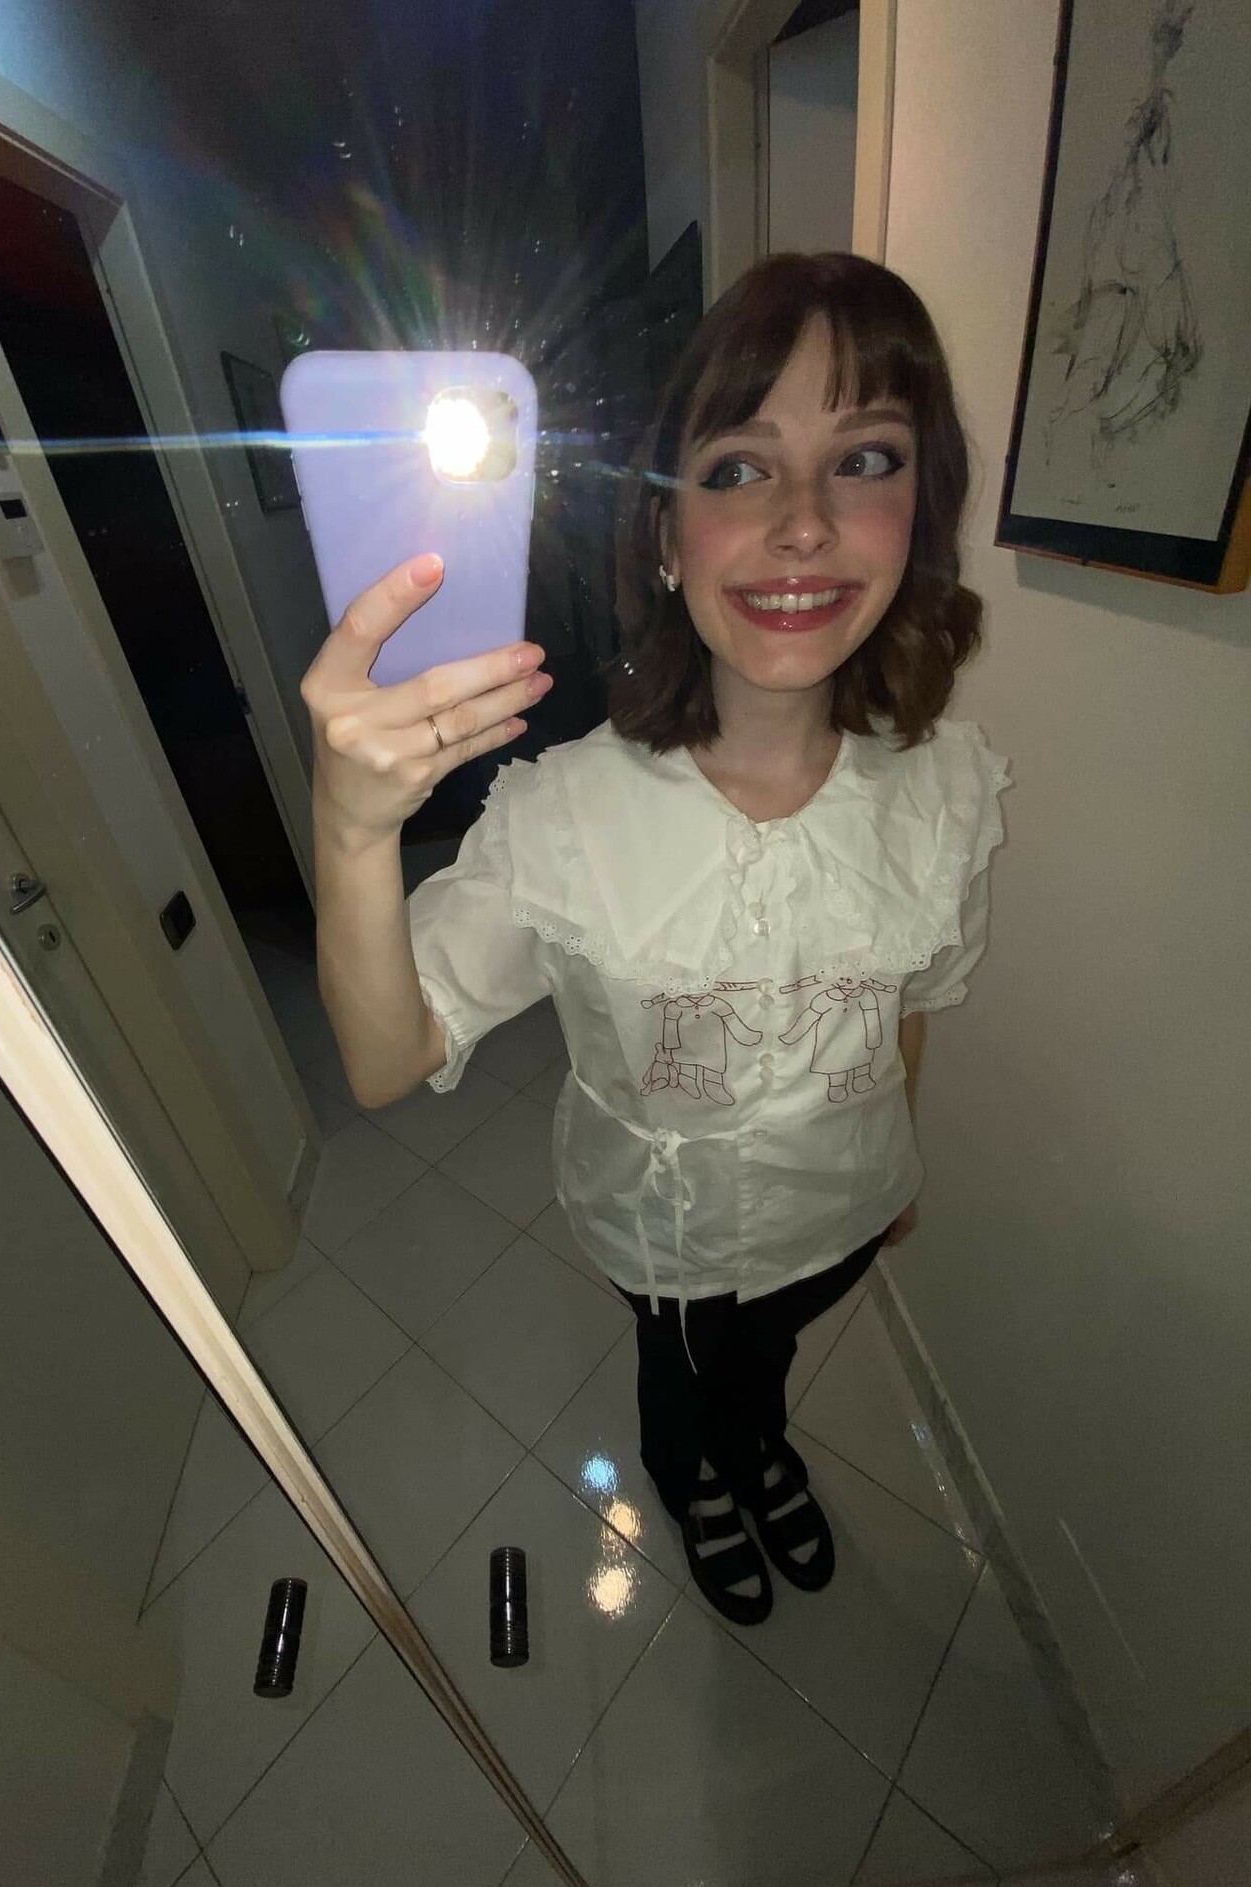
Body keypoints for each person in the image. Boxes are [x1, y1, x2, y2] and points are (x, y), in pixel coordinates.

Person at [301, 252, 1011, 1627]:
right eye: (741, 469)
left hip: (841, 1210)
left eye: (865, 459)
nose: (804, 525)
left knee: (766, 1370)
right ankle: (696, 1483)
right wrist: (349, 829)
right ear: (669, 537)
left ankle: (760, 1452)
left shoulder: (948, 788)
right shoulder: (565, 813)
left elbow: (909, 1002)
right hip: (666, 1243)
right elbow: (387, 1061)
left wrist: (896, 1170)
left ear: (916, 514)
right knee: (684, 1381)